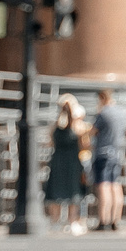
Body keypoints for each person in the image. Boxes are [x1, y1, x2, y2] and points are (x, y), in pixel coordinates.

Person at [44, 95, 88, 235]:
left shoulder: (56, 126)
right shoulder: (78, 127)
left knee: (57, 192)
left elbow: (50, 142)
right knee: (73, 192)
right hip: (72, 162)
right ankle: (72, 221)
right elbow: (83, 145)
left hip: (59, 162)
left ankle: (55, 221)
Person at [90, 88, 126, 232]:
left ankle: (103, 220)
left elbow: (92, 131)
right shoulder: (122, 113)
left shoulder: (103, 113)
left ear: (102, 98)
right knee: (115, 186)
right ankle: (115, 220)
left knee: (104, 186)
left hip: (103, 153)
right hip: (117, 153)